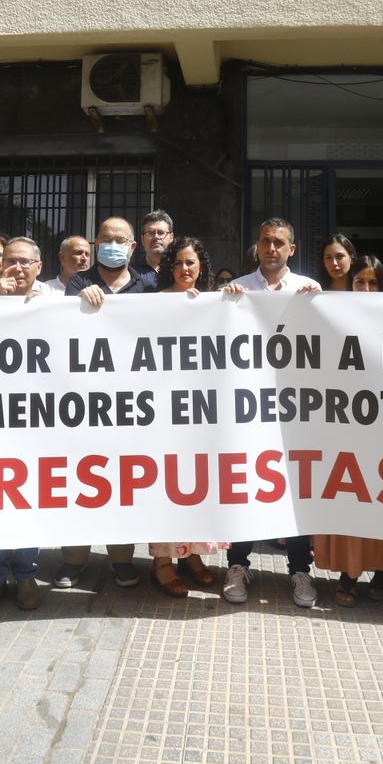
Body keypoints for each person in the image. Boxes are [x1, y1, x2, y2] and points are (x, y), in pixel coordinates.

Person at [220, 219, 321, 608]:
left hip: (295, 411)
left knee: (295, 491)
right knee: (245, 483)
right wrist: (225, 301)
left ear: (291, 249)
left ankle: (300, 571)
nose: (272, 248)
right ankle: (236, 565)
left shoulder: (308, 290)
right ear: (256, 246)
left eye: (279, 242)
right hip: (248, 410)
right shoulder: (239, 288)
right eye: (265, 241)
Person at [316, 249, 383, 608]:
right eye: (359, 281)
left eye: (373, 282)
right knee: (356, 500)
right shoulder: (334, 311)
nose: (365, 288)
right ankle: (351, 573)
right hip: (349, 423)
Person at [60, 215, 159, 588]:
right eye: (106, 238)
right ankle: (73, 559)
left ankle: (121, 558)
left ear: (133, 247)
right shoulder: (80, 283)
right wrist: (78, 302)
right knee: (81, 477)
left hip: (134, 404)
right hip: (85, 400)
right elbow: (63, 330)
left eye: (121, 239)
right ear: (96, 243)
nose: (113, 244)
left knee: (123, 481)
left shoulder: (148, 283)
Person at [0, 236, 54, 613]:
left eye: (25, 261)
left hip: (38, 418)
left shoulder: (54, 301)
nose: (17, 268)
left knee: (29, 496)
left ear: (39, 267)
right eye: (10, 261)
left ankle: (25, 574)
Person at [147, 236, 224, 596]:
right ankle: (163, 562)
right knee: (166, 483)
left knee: (197, 483)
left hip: (201, 411)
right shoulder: (154, 302)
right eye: (178, 263)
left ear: (201, 266)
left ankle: (191, 555)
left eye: (191, 263)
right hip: (163, 411)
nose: (185, 269)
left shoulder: (213, 302)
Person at [136, 209, 175, 280]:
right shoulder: (131, 274)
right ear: (142, 239)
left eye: (161, 233)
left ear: (171, 237)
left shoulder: (180, 270)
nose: (156, 237)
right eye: (150, 233)